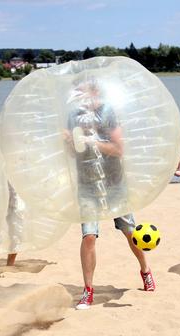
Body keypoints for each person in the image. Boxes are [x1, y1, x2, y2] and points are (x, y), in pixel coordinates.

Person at [65, 77, 155, 310]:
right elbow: (75, 153)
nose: (77, 97)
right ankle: (88, 291)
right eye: (76, 93)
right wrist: (69, 142)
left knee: (129, 231)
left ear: (94, 92)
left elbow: (118, 149)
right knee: (89, 236)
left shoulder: (108, 113)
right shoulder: (74, 116)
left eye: (81, 92)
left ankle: (145, 270)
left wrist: (90, 141)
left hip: (114, 182)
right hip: (87, 184)